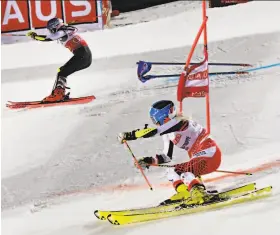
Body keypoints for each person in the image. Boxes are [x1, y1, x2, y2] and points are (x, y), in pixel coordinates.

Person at [118, 100, 222, 204]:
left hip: (209, 153)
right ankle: (184, 193)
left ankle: (199, 193)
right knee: (171, 172)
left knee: (183, 172)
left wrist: (130, 135)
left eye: (154, 119)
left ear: (163, 116)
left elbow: (152, 132)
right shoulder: (167, 133)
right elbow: (166, 157)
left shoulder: (179, 121)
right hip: (200, 158)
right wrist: (148, 161)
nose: (155, 122)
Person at [26, 18, 92, 102]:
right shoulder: (66, 30)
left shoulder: (63, 31)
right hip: (84, 56)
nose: (51, 31)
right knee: (62, 71)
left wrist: (34, 36)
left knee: (62, 72)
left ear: (55, 26)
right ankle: (58, 94)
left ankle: (58, 95)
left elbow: (49, 38)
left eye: (51, 29)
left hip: (82, 56)